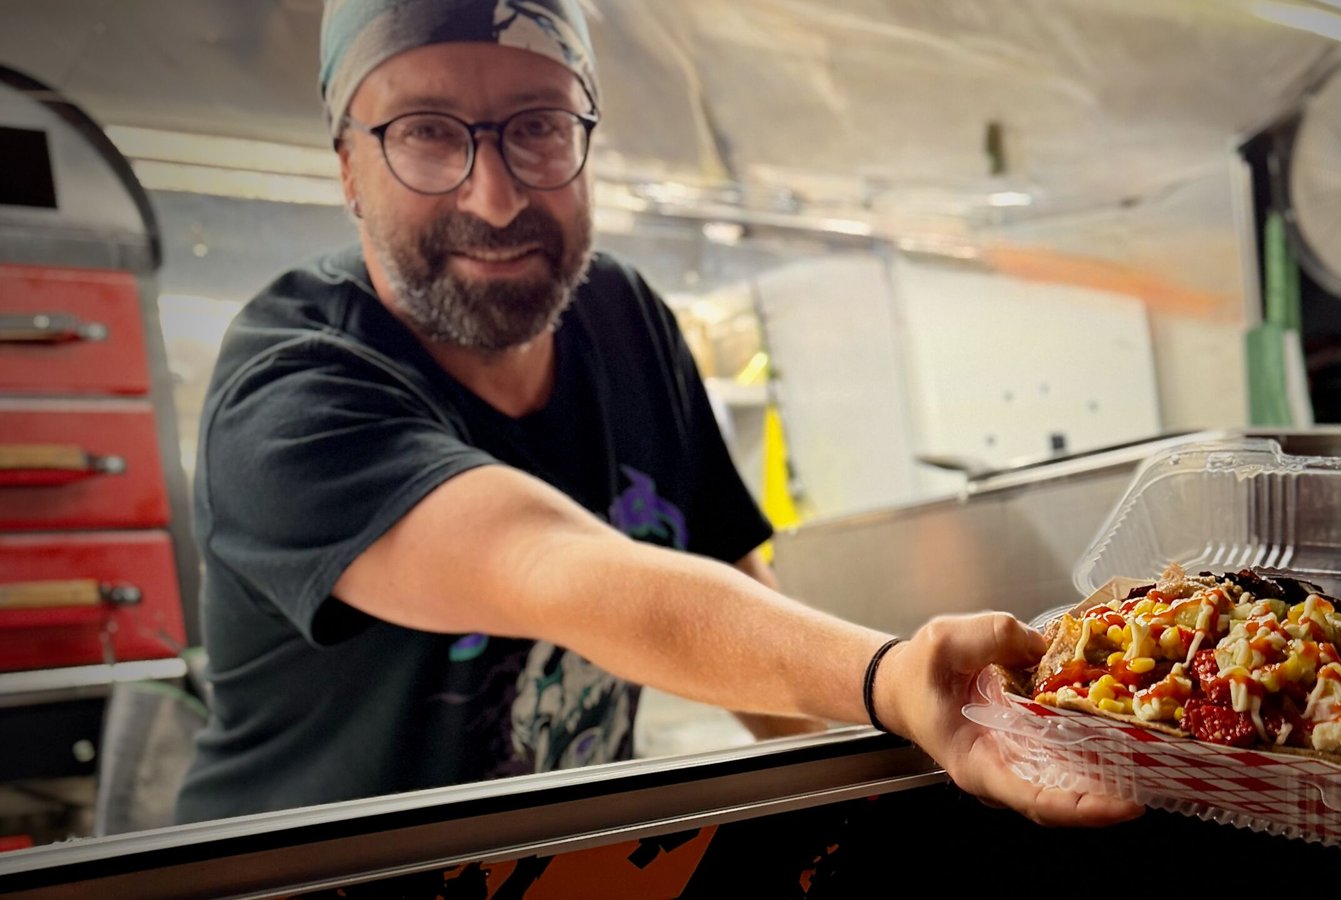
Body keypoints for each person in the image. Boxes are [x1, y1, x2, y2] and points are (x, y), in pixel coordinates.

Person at [174, 0, 1141, 830]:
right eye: (427, 131)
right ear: (348, 165)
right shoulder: (291, 390)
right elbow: (554, 571)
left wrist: (899, 798)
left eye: (537, 126)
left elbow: (731, 595)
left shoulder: (622, 317)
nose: (497, 195)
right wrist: (892, 678)